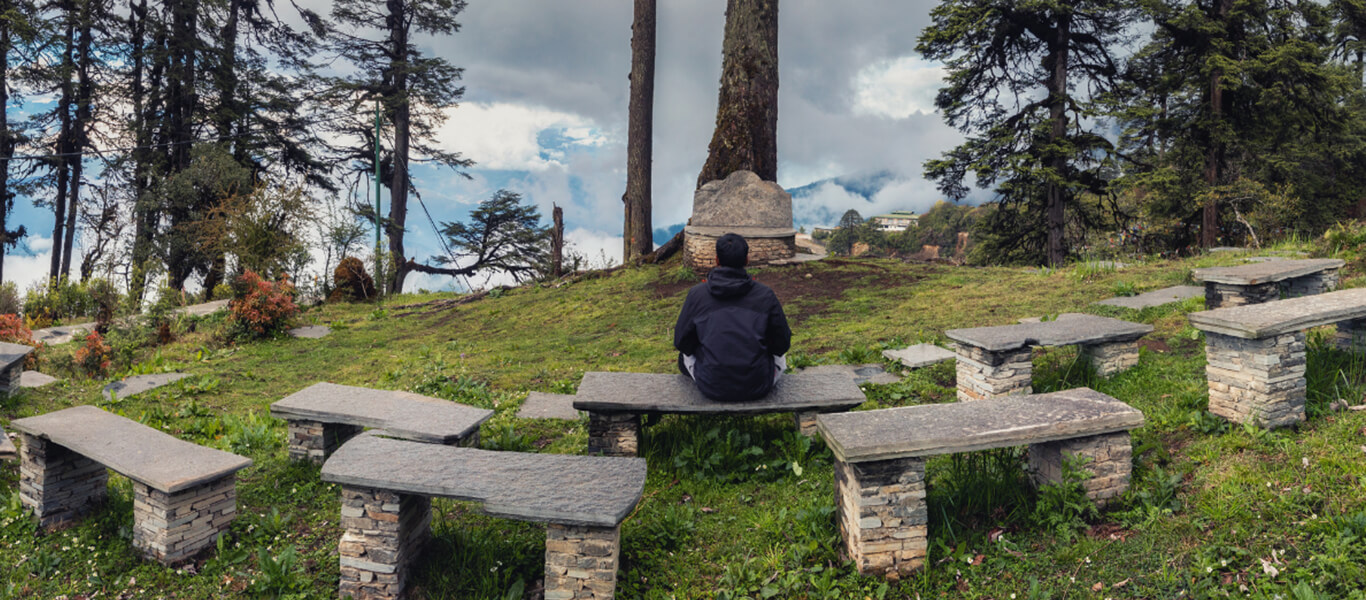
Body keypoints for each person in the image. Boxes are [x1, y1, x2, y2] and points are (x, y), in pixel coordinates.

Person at [674, 233, 792, 401]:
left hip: (711, 385)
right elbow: (782, 344)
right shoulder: (765, 295)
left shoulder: (697, 295)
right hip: (758, 384)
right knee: (780, 357)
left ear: (716, 260)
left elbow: (682, 342)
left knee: (683, 357)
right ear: (746, 260)